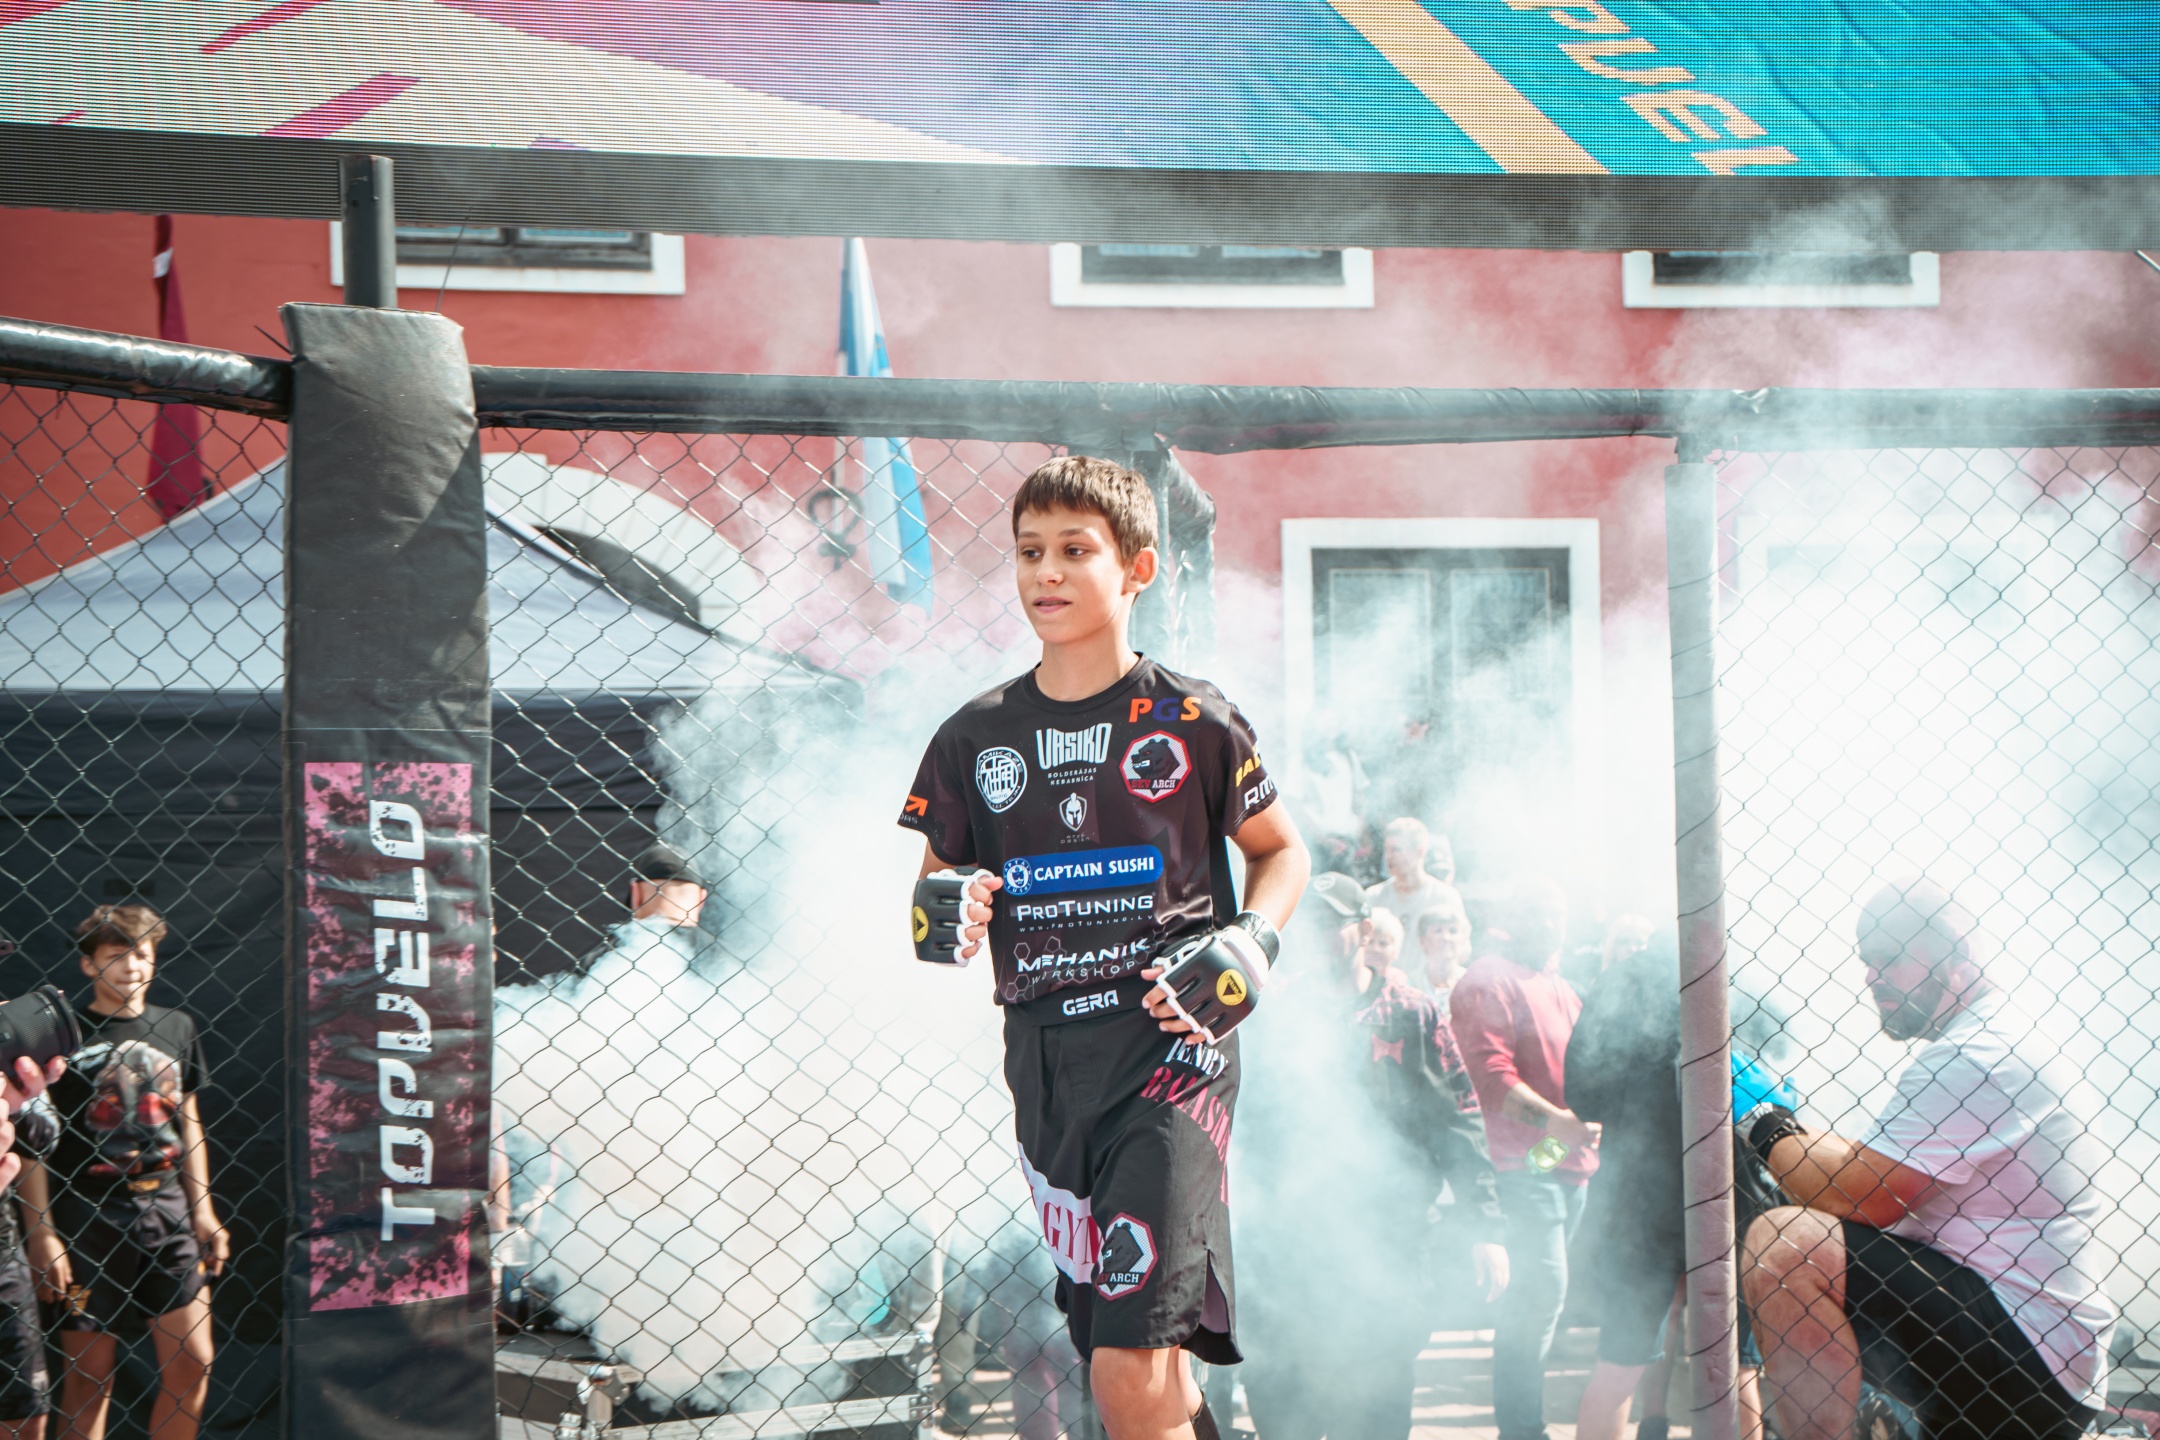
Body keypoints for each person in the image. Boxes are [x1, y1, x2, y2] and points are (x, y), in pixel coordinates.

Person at [897, 455, 1310, 1440]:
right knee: (1137, 1370)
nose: (1046, 572)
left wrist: (1251, 943)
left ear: (1137, 568)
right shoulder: (971, 736)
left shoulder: (1193, 717)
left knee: (1127, 1370)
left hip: (1173, 1056)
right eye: (1028, 551)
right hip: (1045, 1067)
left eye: (1075, 550)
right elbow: (933, 886)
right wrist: (945, 909)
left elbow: (1282, 852)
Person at [1738, 879, 2114, 1440]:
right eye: (1867, 962)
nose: (1872, 976)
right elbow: (1861, 1165)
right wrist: (1786, 1123)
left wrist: (1762, 1122)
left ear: (1958, 956)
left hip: (2024, 1355)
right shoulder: (1995, 1035)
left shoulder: (1977, 1053)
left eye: (1890, 958)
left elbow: (1861, 1194)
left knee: (1786, 1243)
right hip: (2021, 1342)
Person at [1238, 872, 1505, 1440]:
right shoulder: (1273, 1011)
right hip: (1289, 1255)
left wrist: (1485, 1225)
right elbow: (1243, 1125)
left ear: (1363, 930)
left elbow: (1458, 1118)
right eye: (1308, 925)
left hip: (1386, 1245)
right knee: (1283, 1412)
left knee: (1376, 1413)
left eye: (1332, 925)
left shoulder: (1410, 1011)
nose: (1318, 937)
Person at [24, 905, 225, 1440]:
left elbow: (190, 1124)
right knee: (89, 1376)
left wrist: (203, 1210)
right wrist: (42, 1232)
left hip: (168, 1208)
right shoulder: (59, 1035)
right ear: (89, 965)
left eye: (141, 954)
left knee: (193, 1362)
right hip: (87, 1217)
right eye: (116, 955)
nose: (131, 966)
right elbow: (33, 1143)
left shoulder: (178, 1026)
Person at [1566, 935, 1769, 1440]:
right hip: (1732, 1191)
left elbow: (1583, 1093)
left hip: (1641, 1196)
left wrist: (1636, 1108)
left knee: (1619, 1363)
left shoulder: (1624, 978)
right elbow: (1779, 1089)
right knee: (1737, 1366)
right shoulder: (1749, 974)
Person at [1449, 876, 1597, 1440]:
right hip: (1518, 1163)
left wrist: (1578, 1126)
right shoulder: (1489, 978)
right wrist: (1558, 1123)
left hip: (1557, 1158)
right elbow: (1489, 1078)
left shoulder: (1564, 986)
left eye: (1558, 911)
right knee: (1540, 1293)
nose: (1551, 922)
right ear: (1513, 918)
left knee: (1542, 1298)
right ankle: (1523, 1429)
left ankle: (1524, 1425)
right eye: (1538, 911)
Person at [1364, 818, 1456, 937]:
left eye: (1396, 849)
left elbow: (1459, 944)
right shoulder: (1374, 896)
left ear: (1420, 851)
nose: (1388, 856)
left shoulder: (1444, 897)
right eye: (1386, 849)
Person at [1414, 888, 1472, 1000]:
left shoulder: (1472, 984)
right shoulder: (1407, 984)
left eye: (1453, 931)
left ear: (1464, 940)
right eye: (1438, 931)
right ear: (1422, 941)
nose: (1446, 938)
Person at [1364, 907, 1409, 990]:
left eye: (1383, 944)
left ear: (1394, 952)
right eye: (1370, 942)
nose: (1375, 949)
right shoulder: (1345, 980)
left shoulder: (1401, 983)